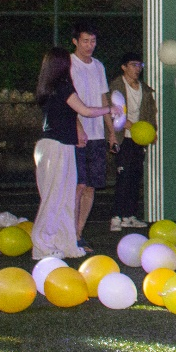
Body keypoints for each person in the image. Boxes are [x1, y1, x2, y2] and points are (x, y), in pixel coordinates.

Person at [33, 47, 120, 259]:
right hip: (56, 147)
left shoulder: (49, 87)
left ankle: (65, 243)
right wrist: (109, 109)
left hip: (60, 146)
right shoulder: (62, 86)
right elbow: (86, 111)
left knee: (64, 198)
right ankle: (42, 246)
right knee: (54, 199)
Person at [69, 22, 112, 254]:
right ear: (75, 41)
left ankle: (78, 232)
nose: (89, 45)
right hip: (76, 136)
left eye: (93, 41)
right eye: (85, 41)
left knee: (91, 187)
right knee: (78, 185)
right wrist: (78, 128)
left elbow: (104, 100)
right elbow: (68, 100)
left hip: (97, 135)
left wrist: (111, 132)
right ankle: (69, 234)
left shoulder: (98, 66)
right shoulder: (68, 64)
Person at [108, 52, 154, 232]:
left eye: (140, 65)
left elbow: (150, 113)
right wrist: (124, 125)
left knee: (135, 176)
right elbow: (111, 112)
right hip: (123, 137)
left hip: (138, 138)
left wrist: (151, 131)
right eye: (133, 65)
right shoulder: (116, 86)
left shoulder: (144, 89)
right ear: (124, 67)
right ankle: (116, 216)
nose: (137, 69)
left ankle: (130, 215)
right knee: (123, 176)